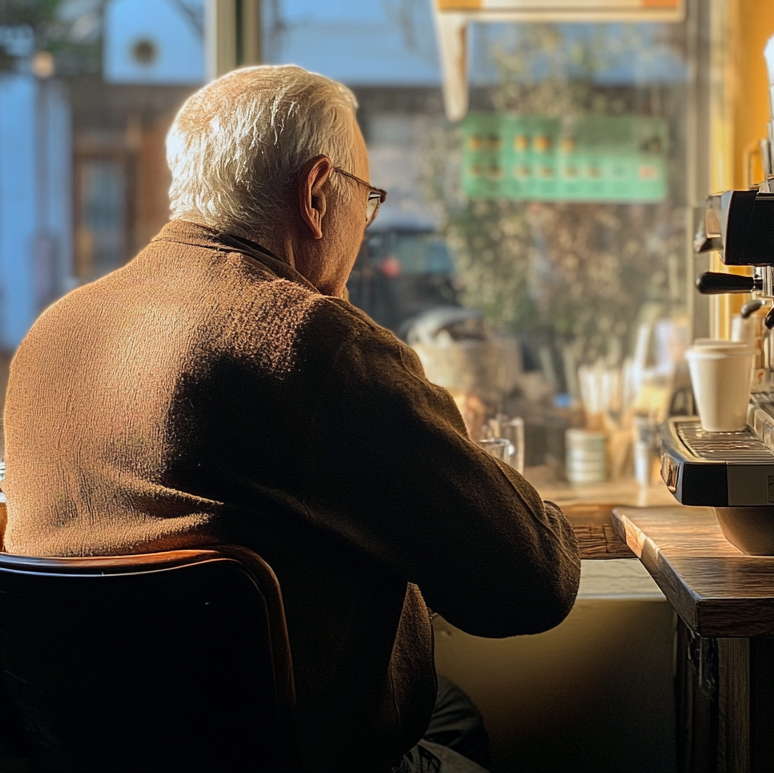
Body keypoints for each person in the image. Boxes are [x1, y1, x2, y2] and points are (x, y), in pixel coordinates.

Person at [1, 65, 581, 772]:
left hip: (88, 753)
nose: (363, 230)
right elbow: (530, 586)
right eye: (364, 202)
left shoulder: (52, 333)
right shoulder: (313, 343)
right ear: (315, 194)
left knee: (450, 709)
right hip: (289, 754)